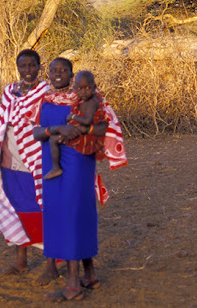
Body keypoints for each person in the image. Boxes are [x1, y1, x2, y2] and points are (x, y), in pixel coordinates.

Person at [33, 58, 127, 302]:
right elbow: (35, 132)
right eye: (54, 70)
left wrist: (80, 130)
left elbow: (104, 127)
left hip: (77, 161)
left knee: (74, 215)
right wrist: (57, 130)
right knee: (59, 214)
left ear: (72, 74)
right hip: (52, 163)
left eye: (63, 70)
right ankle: (90, 275)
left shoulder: (86, 96)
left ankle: (73, 285)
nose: (58, 74)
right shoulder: (45, 99)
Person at [0, 49, 59, 285]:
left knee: (42, 206)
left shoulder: (46, 91)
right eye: (23, 66)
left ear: (40, 67)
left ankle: (52, 264)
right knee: (14, 206)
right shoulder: (9, 91)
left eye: (32, 66)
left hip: (35, 159)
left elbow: (50, 122)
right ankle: (21, 261)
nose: (28, 71)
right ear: (17, 68)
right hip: (9, 157)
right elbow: (1, 122)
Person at [43, 71, 103, 180]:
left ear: (94, 87)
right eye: (80, 89)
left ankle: (56, 168)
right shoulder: (80, 99)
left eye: (87, 88)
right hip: (79, 130)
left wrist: (73, 117)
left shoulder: (92, 101)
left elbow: (87, 120)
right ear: (75, 87)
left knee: (53, 140)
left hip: (83, 134)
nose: (84, 92)